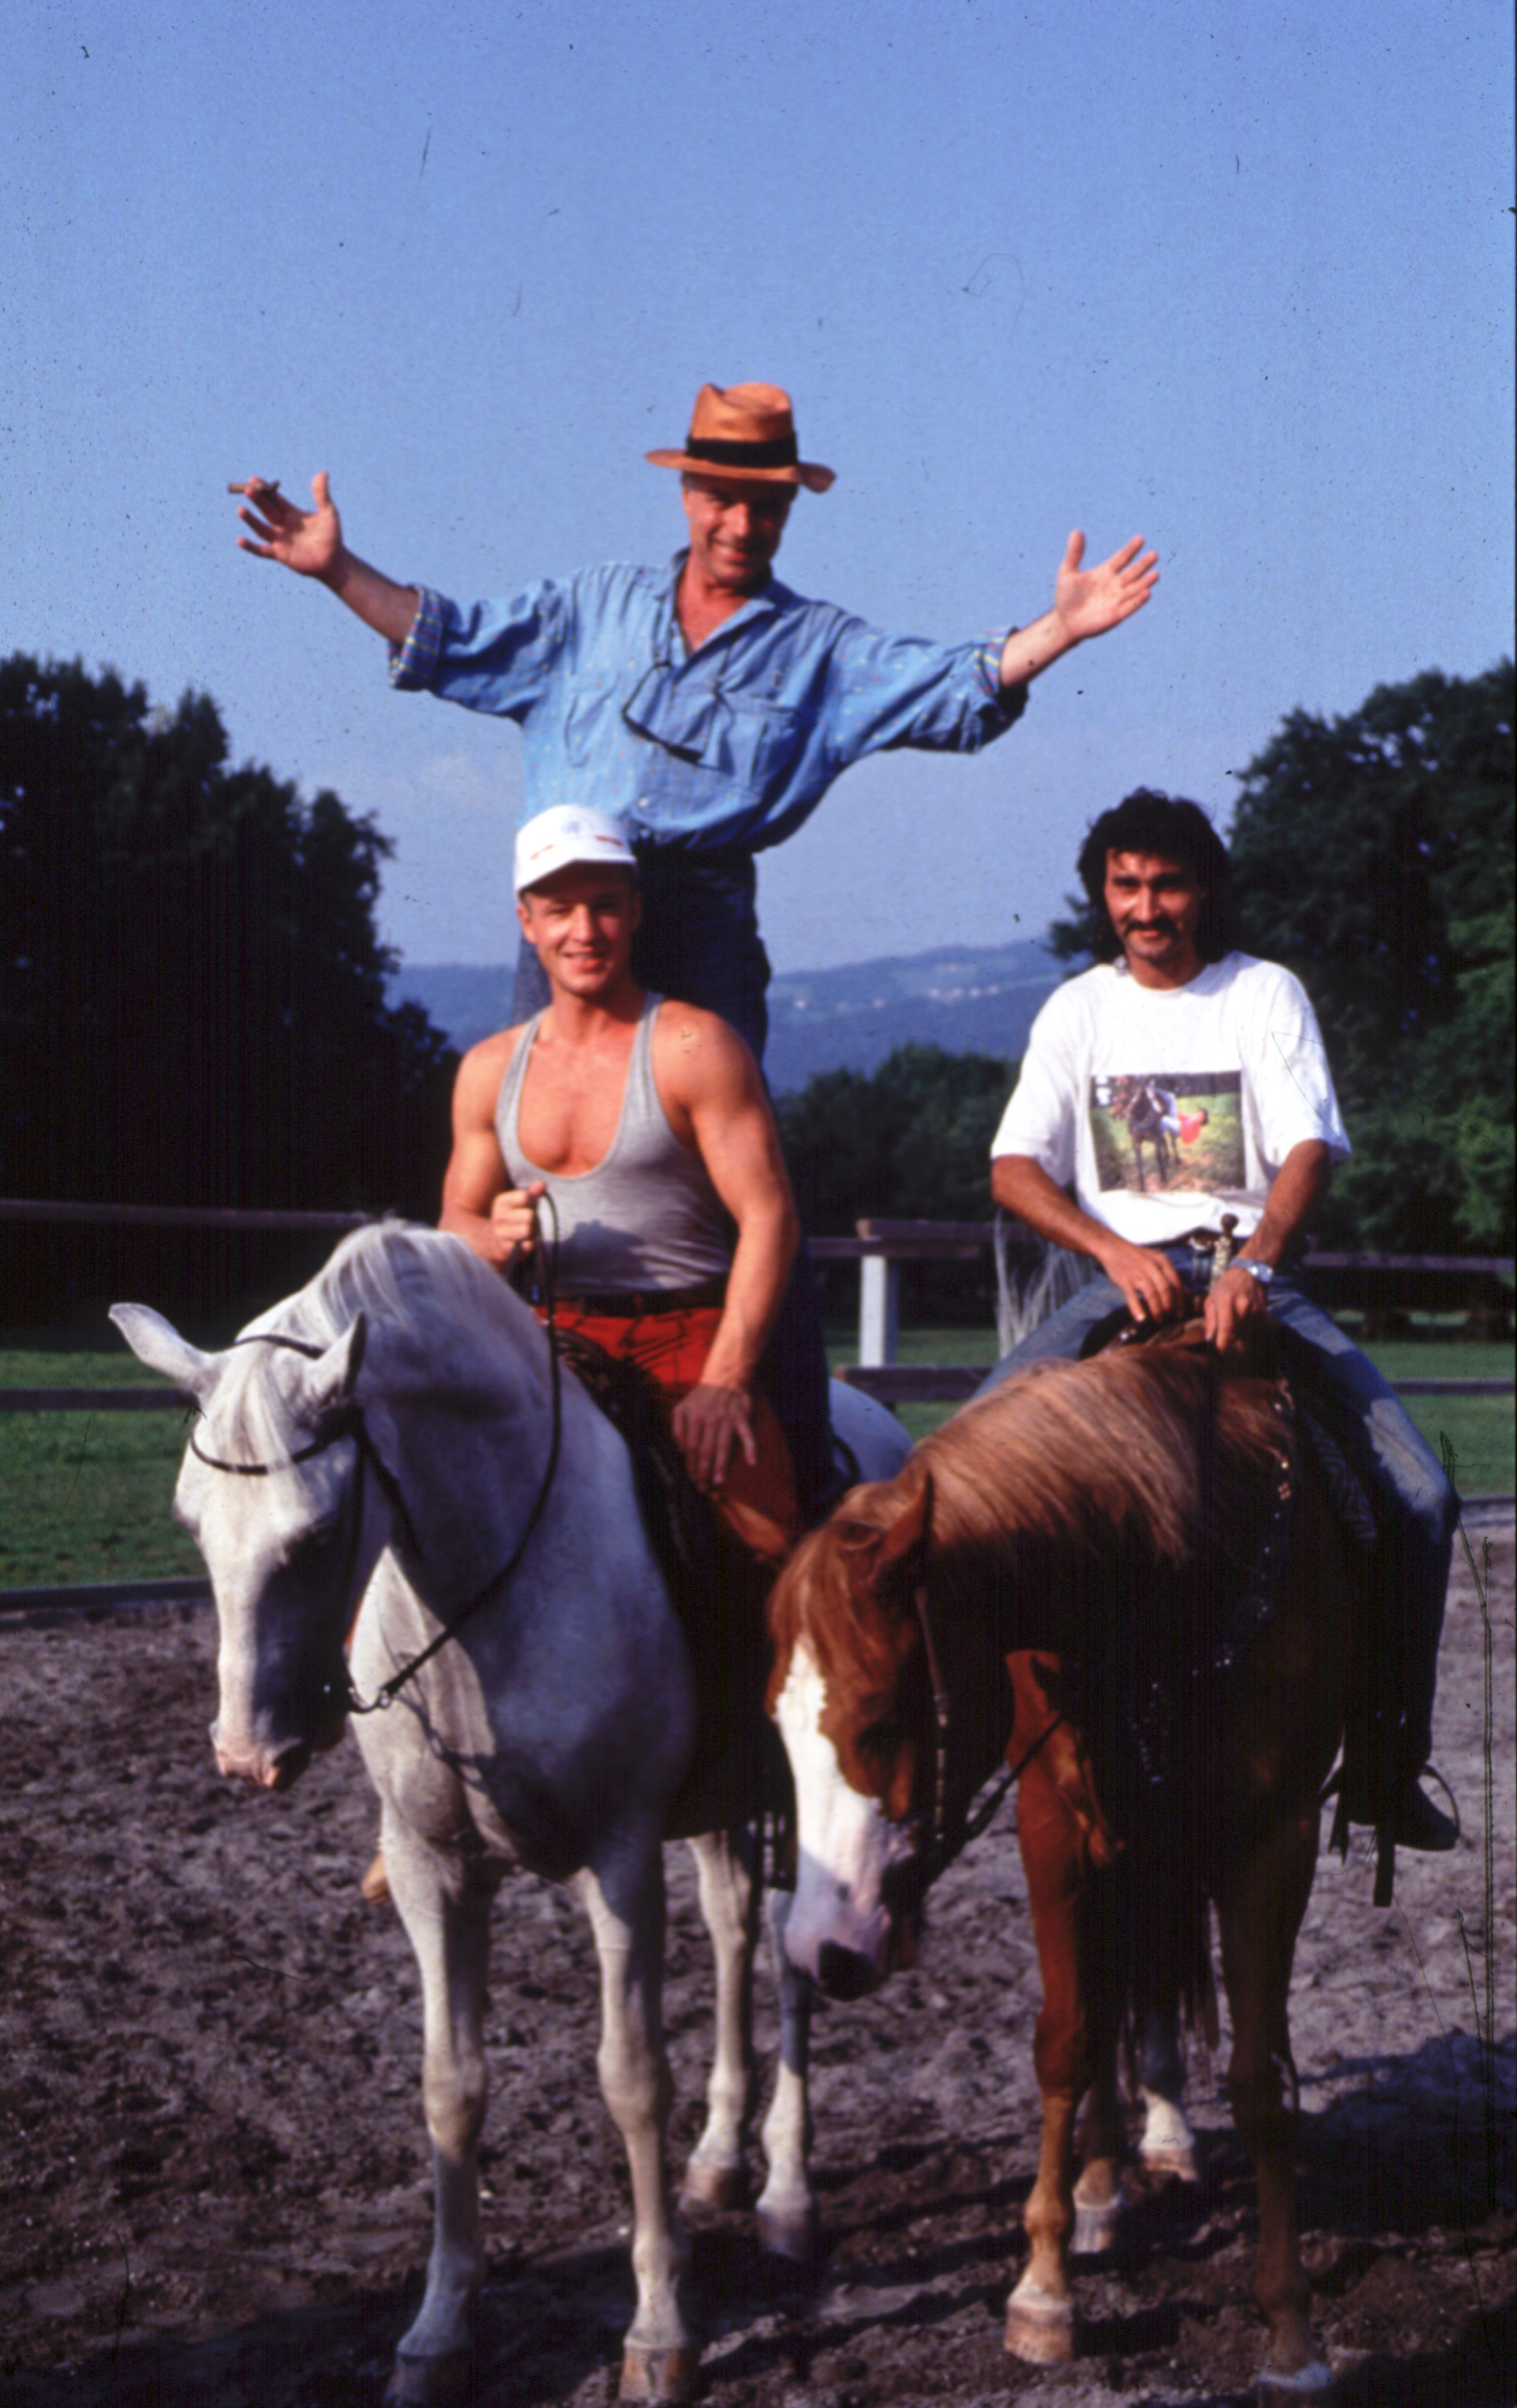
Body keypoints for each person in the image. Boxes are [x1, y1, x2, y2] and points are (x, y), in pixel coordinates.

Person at [229, 379, 1158, 1508]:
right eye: (720, 496)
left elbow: (944, 688)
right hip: (571, 894)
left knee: (739, 1199)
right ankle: (492, 1472)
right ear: (688, 493)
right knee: (533, 1179)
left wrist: (1058, 629)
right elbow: (452, 640)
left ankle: (806, 1474)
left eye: (763, 505)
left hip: (702, 917)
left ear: (786, 512)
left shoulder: (816, 648)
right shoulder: (591, 609)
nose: (737, 522)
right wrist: (335, 568)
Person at [986, 788, 1456, 1851]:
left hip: (1254, 1275)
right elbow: (1013, 1166)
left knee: (1420, 1494)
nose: (1145, 906)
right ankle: (969, 1732)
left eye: (1165, 883)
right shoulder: (1077, 1012)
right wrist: (1108, 1250)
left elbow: (1305, 1148)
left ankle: (1387, 1757)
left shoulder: (1261, 995)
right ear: (1102, 893)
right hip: (1121, 1283)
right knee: (968, 1462)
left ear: (1204, 889)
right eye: (1124, 885)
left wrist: (1254, 1258)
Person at [441, 801, 803, 1569]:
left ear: (635, 911)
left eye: (604, 906)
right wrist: (490, 1232)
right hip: (548, 1344)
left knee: (766, 1551)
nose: (584, 930)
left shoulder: (691, 1044)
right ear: (526, 921)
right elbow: (454, 1226)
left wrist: (727, 1381)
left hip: (689, 1337)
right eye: (560, 910)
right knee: (426, 1517)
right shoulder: (488, 1070)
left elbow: (769, 1216)